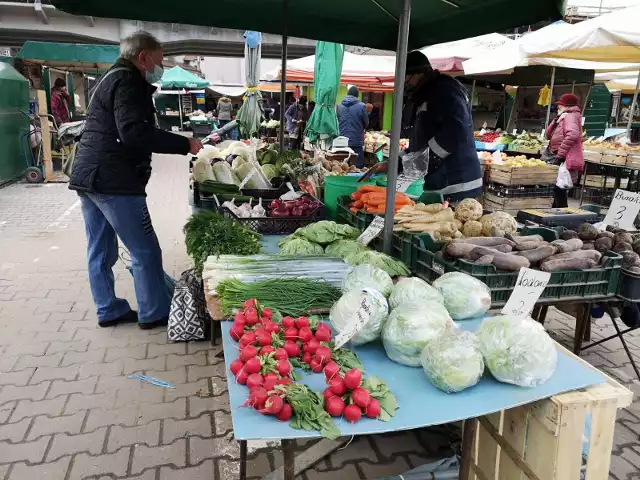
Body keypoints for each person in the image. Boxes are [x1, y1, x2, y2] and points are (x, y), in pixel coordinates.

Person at [69, 31, 203, 329]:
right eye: (159, 60)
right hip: (115, 180)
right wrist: (184, 144)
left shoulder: (110, 77)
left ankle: (108, 309)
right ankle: (154, 312)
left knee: (100, 250)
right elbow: (133, 132)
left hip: (90, 177)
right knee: (145, 250)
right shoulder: (128, 81)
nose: (161, 66)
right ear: (142, 57)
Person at [370, 52, 482, 202]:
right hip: (439, 180)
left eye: (406, 77)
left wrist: (425, 159)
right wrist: (393, 163)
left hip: (456, 184)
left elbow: (456, 132)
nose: (404, 83)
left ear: (419, 74)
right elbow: (419, 145)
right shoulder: (424, 94)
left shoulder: (445, 90)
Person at [545, 93, 585, 208]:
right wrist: (556, 120)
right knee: (558, 188)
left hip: (564, 157)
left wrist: (560, 155)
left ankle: (562, 216)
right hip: (560, 155)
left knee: (559, 188)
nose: (558, 107)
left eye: (560, 105)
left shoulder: (570, 116)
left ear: (567, 105)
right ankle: (556, 214)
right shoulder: (565, 115)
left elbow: (572, 134)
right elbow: (548, 134)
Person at [338, 85, 368, 168]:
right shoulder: (362, 106)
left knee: (343, 166)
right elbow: (366, 123)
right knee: (357, 166)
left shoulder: (340, 106)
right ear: (357, 95)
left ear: (347, 94)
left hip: (342, 140)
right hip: (356, 140)